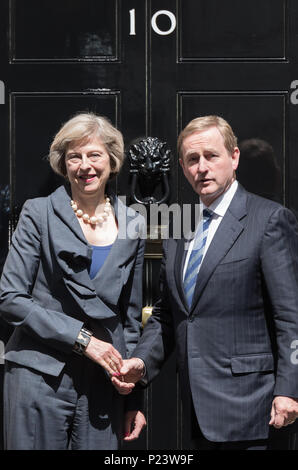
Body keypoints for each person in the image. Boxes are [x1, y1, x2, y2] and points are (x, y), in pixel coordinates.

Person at [112, 115, 298, 450]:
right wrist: (140, 362)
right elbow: (167, 315)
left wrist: (290, 389)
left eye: (211, 156)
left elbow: (291, 316)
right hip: (199, 409)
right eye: (193, 160)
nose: (202, 168)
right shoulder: (179, 228)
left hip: (258, 410)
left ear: (234, 157)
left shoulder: (269, 220)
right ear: (182, 167)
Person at [0, 112, 146, 450]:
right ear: (63, 165)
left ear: (112, 159)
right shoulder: (39, 213)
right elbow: (10, 297)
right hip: (39, 375)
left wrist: (134, 394)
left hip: (103, 384)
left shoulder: (134, 224)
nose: (85, 166)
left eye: (94, 154)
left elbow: (130, 318)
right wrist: (83, 340)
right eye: (74, 157)